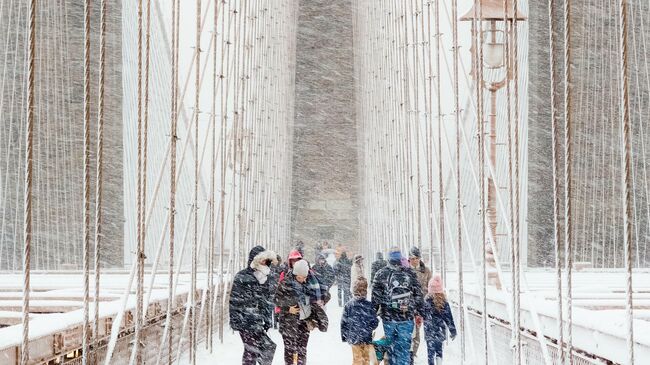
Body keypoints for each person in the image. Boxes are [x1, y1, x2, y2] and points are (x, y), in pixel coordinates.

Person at [372, 246, 423, 365]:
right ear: (401, 258)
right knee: (404, 348)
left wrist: (373, 315)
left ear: (388, 258)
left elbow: (375, 298)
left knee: (391, 348)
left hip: (389, 317)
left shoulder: (381, 274)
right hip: (406, 317)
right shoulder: (410, 273)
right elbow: (418, 295)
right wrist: (418, 311)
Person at [229, 246, 278, 365]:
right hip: (244, 319)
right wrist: (235, 319)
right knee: (251, 351)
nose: (264, 263)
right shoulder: (242, 276)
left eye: (266, 260)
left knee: (259, 350)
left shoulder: (266, 277)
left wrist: (267, 320)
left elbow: (267, 301)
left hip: (257, 321)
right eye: (262, 260)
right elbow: (234, 300)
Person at [275, 259, 314, 365]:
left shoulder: (310, 283)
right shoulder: (285, 283)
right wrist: (288, 308)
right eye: (299, 277)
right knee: (289, 350)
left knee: (302, 350)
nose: (302, 280)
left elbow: (319, 297)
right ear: (295, 274)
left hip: (303, 322)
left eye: (304, 277)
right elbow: (276, 299)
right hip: (288, 322)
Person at [341, 277, 379, 365]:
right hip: (366, 337)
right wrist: (370, 328)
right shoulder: (369, 305)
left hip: (354, 337)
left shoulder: (349, 305)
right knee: (366, 359)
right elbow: (375, 321)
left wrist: (345, 336)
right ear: (366, 291)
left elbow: (343, 322)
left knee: (357, 359)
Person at [422, 274, 456, 365]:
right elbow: (449, 318)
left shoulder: (425, 302)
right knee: (439, 351)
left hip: (429, 330)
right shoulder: (444, 303)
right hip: (439, 331)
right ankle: (439, 362)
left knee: (430, 353)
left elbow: (422, 315)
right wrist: (453, 330)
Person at [409, 247, 432, 362]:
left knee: (417, 329)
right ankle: (409, 352)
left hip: (421, 305)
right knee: (409, 329)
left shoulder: (426, 271)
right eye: (412, 258)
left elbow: (430, 286)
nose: (414, 260)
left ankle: (413, 353)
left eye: (416, 258)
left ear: (419, 258)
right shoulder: (405, 270)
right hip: (408, 305)